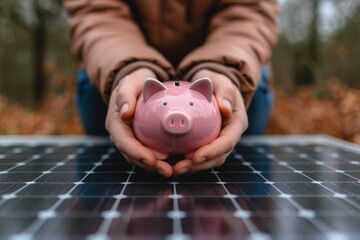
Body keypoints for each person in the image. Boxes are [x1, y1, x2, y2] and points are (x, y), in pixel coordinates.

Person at [64, 0, 280, 177]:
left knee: (244, 104)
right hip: (116, 60)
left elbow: (250, 11)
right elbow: (96, 11)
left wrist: (227, 69)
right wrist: (126, 69)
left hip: (229, 60)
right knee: (107, 149)